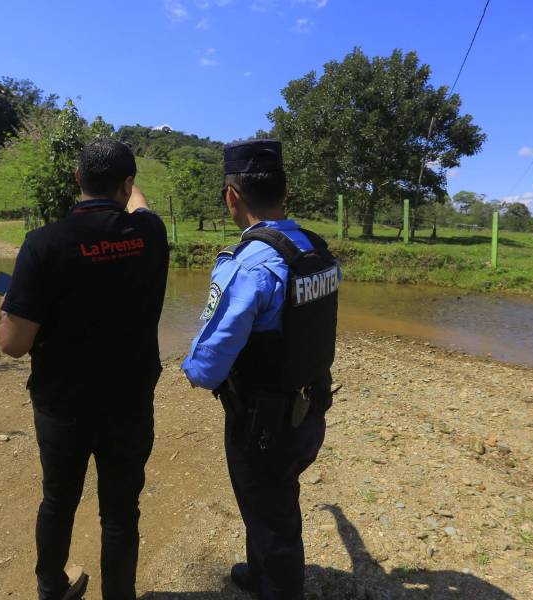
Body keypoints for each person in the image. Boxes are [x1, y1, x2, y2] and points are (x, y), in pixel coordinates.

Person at [0, 138, 169, 600]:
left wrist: (9, 307)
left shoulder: (43, 244)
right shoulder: (149, 236)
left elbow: (13, 344)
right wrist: (129, 185)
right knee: (120, 514)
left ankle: (52, 586)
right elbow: (141, 204)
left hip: (62, 406)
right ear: (127, 183)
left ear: (76, 180)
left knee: (58, 499)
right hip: (128, 405)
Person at [182, 139, 340, 599]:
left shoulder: (248, 266)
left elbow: (207, 368)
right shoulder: (317, 251)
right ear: (284, 192)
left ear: (232, 196)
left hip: (263, 426)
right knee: (271, 505)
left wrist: (188, 367)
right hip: (310, 411)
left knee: (273, 519)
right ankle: (260, 572)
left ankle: (277, 586)